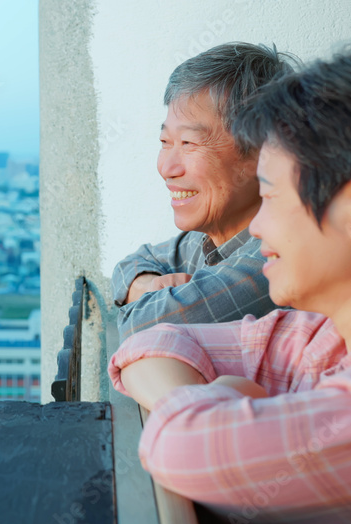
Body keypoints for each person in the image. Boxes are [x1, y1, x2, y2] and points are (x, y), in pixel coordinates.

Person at [108, 44, 351, 524]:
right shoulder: (330, 337)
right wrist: (229, 399)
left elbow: (179, 446)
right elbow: (152, 343)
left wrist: (218, 399)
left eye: (270, 196)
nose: (256, 229)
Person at [113, 42, 293, 340]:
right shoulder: (207, 239)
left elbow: (139, 327)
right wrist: (145, 285)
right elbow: (133, 262)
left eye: (188, 143)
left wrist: (142, 301)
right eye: (164, 142)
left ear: (262, 153)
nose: (167, 168)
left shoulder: (274, 259)